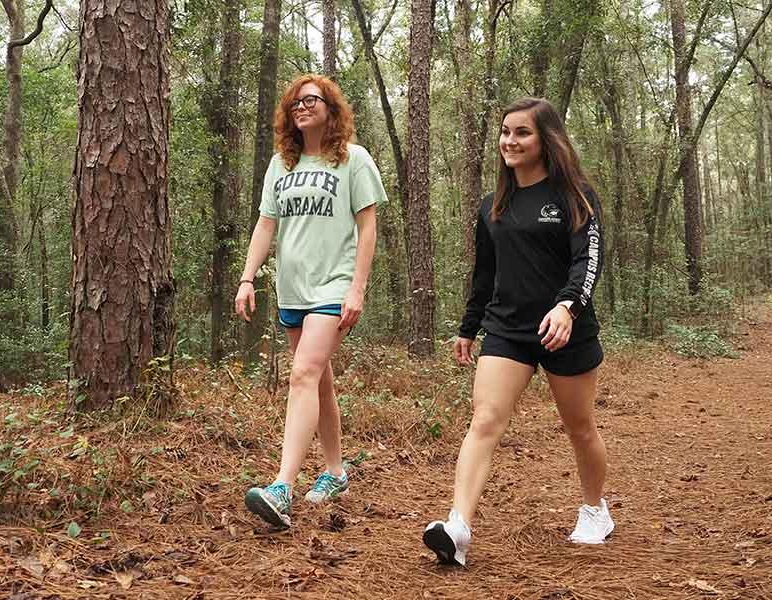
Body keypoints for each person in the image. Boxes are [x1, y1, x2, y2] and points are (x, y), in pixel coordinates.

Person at [423, 97, 611, 565]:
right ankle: (459, 526)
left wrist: (567, 307)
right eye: (505, 132)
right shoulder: (493, 207)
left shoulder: (575, 195)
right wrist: (468, 327)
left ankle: (594, 510)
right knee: (484, 419)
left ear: (545, 139)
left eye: (522, 132)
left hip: (565, 329)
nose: (510, 140)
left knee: (580, 428)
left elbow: (587, 261)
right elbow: (484, 274)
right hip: (507, 330)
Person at [235, 74, 387, 529]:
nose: (302, 107)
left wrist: (357, 287)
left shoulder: (353, 160)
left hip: (333, 286)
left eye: (312, 100)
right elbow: (266, 226)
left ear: (330, 109)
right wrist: (247, 278)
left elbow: (367, 227)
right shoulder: (282, 164)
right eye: (295, 103)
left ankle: (282, 487)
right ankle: (337, 472)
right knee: (319, 381)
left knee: (302, 374)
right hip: (293, 288)